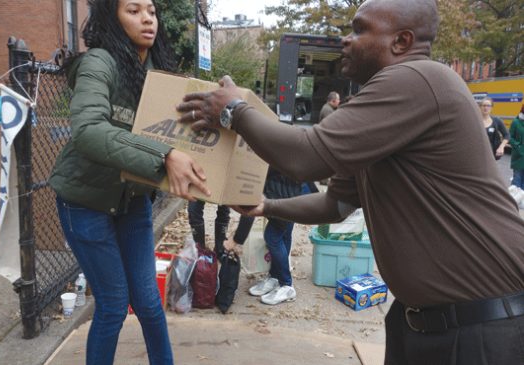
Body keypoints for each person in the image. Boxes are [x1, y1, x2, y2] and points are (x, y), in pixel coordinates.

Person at [177, 0, 524, 363]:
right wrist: (267, 207)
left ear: (401, 42)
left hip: (481, 327)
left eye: (360, 30)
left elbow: (305, 156)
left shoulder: (418, 78)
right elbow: (336, 204)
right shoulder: (383, 108)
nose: (346, 39)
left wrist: (234, 110)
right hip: (427, 322)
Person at [49, 1, 210, 364]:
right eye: (133, 10)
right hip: (84, 200)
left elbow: (179, 135)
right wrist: (164, 157)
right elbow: (88, 130)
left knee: (150, 302)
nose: (147, 18)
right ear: (112, 17)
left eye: (151, 10)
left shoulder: (159, 73)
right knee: (113, 304)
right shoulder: (99, 63)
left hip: (133, 198)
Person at [224, 168, 302, 305]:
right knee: (283, 234)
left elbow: (249, 209)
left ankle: (286, 285)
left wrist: (236, 240)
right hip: (290, 187)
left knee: (272, 236)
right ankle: (276, 278)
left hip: (283, 191)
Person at [509, 105, 524, 189]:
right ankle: (513, 201)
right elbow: (510, 137)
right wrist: (518, 146)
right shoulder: (516, 122)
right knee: (517, 182)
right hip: (518, 156)